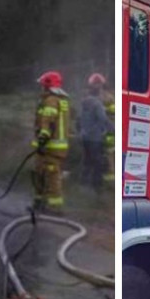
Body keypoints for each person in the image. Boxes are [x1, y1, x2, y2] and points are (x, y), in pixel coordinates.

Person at [32, 71, 70, 211]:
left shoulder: (51, 100)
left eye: (42, 85)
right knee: (42, 173)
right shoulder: (62, 100)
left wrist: (42, 139)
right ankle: (40, 202)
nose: (41, 88)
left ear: (47, 86)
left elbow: (47, 122)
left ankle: (55, 208)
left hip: (50, 146)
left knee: (51, 175)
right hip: (56, 146)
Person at [77, 73, 113, 192]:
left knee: (87, 162)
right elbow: (103, 119)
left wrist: (80, 131)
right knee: (97, 163)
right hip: (96, 138)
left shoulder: (84, 102)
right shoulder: (98, 103)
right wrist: (114, 129)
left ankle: (83, 186)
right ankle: (97, 188)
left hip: (84, 137)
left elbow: (78, 119)